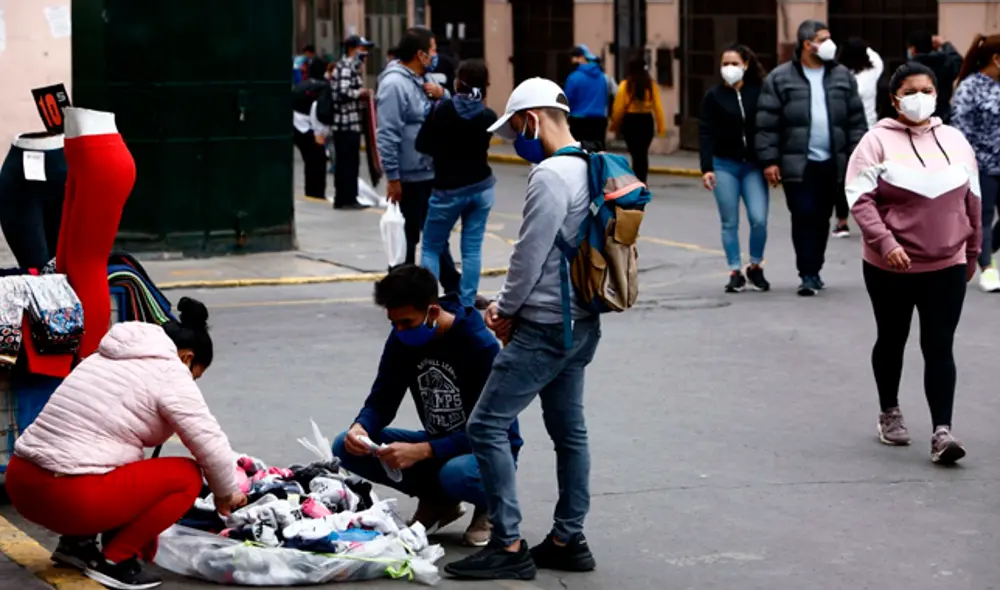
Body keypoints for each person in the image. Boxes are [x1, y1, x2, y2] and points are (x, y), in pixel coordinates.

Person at [444, 78, 601, 581]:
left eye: (516, 129)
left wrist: (503, 309)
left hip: (544, 325)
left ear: (531, 118)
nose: (517, 140)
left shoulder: (551, 176)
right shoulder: (590, 164)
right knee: (568, 430)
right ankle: (567, 537)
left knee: (486, 425)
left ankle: (508, 543)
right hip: (581, 322)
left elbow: (529, 254)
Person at [4, 298, 246, 590]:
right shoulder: (170, 372)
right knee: (187, 476)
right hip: (67, 498)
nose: (192, 383)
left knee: (116, 460)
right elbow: (210, 442)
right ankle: (116, 560)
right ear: (187, 358)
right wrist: (226, 493)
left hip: (22, 483)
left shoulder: (104, 357)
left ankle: (77, 545)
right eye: (196, 376)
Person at [845, 62, 981, 464]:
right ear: (894, 99)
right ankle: (890, 411)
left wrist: (972, 253)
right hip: (892, 266)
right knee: (892, 338)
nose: (919, 98)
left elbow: (973, 202)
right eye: (910, 91)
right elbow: (859, 198)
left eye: (927, 90)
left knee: (939, 344)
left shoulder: (955, 140)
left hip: (948, 262)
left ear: (937, 95)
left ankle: (943, 432)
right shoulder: (876, 141)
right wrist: (885, 242)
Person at [332, 265, 522, 547]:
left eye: (406, 323)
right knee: (343, 447)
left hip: (487, 450)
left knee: (457, 473)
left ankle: (492, 506)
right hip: (439, 443)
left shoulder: (479, 346)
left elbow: (492, 431)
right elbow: (382, 398)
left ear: (432, 312)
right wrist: (361, 427)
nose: (399, 330)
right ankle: (440, 501)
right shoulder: (401, 337)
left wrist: (422, 450)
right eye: (393, 323)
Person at [756, 20, 867, 296]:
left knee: (821, 217)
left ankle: (814, 269)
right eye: (823, 38)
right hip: (798, 163)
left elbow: (856, 120)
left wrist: (858, 155)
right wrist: (770, 160)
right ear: (807, 44)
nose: (830, 43)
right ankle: (807, 272)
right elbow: (767, 122)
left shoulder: (842, 76)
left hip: (833, 162)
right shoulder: (780, 78)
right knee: (803, 214)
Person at [376, 27, 459, 293]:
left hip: (428, 172)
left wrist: (442, 94)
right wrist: (393, 177)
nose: (435, 56)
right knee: (408, 237)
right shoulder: (394, 85)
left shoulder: (422, 79)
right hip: (409, 176)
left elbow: (448, 108)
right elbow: (388, 134)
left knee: (436, 234)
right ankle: (400, 292)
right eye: (432, 50)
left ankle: (455, 289)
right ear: (420, 54)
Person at [416, 59, 498, 309]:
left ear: (457, 82)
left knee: (431, 245)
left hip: (447, 190)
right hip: (481, 187)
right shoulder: (488, 116)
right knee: (472, 248)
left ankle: (429, 303)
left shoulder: (442, 110)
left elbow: (422, 144)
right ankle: (467, 304)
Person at [699, 44, 771, 293]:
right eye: (725, 64)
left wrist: (771, 160)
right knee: (729, 221)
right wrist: (707, 167)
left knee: (759, 218)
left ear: (746, 65)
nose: (729, 68)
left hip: (752, 166)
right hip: (724, 165)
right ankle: (734, 271)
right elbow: (705, 132)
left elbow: (768, 126)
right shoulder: (713, 96)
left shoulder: (759, 92)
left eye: (734, 63)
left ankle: (755, 266)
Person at [951, 34, 1000, 293]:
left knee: (990, 227)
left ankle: (985, 247)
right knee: (984, 216)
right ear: (996, 59)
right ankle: (988, 269)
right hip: (983, 165)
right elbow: (960, 127)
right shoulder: (970, 87)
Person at [834, 38, 884, 238]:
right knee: (870, 176)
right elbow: (873, 55)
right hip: (869, 129)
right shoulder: (874, 70)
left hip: (846, 130)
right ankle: (874, 220)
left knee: (844, 178)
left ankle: (842, 221)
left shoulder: (840, 75)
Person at [330, 35, 375, 210]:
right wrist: (360, 93)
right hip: (346, 123)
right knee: (347, 162)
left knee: (350, 162)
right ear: (352, 49)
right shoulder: (347, 66)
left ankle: (347, 197)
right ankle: (346, 198)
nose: (365, 53)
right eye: (361, 49)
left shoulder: (351, 67)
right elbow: (342, 92)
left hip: (351, 123)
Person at [609, 53, 666, 183]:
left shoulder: (625, 85)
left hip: (631, 121)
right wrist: (661, 128)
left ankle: (636, 181)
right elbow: (658, 107)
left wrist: (614, 125)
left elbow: (618, 108)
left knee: (635, 154)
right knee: (643, 153)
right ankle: (642, 180)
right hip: (646, 121)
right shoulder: (651, 85)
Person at [292, 58, 332, 200]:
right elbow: (319, 111)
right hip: (312, 128)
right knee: (318, 162)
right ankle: (317, 193)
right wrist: (319, 132)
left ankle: (310, 191)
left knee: (309, 162)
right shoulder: (323, 87)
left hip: (297, 127)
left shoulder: (300, 86)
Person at [907, 31, 963, 123]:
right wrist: (945, 44)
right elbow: (958, 61)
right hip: (943, 117)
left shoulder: (908, 70)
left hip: (917, 120)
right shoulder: (945, 64)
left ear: (913, 49)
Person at [565, 45, 609, 150]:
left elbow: (567, 101)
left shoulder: (574, 77)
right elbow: (606, 98)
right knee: (598, 155)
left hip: (579, 122)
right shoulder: (603, 78)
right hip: (599, 121)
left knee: (578, 154)